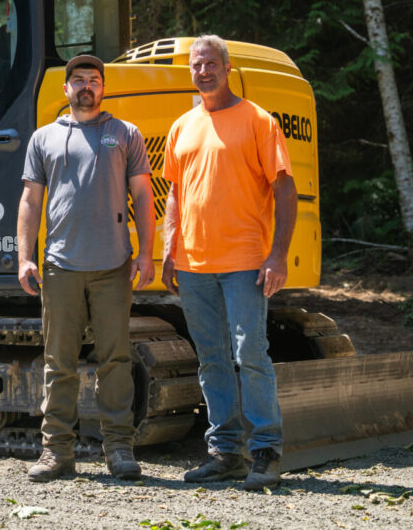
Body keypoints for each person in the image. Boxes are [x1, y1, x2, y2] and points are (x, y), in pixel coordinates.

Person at [161, 35, 296, 492]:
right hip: (194, 265)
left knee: (250, 355)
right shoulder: (182, 126)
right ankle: (224, 452)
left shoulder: (258, 120)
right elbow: (176, 193)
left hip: (244, 263)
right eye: (197, 65)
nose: (204, 71)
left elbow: (284, 189)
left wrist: (277, 255)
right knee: (212, 359)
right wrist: (169, 248)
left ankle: (266, 452)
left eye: (211, 63)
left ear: (227, 66)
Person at [17, 54, 155, 482]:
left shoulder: (124, 134)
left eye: (94, 80)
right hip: (60, 267)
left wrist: (147, 252)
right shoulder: (43, 139)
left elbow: (144, 197)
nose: (87, 86)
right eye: (79, 80)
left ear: (103, 88)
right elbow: (30, 202)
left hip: (114, 266)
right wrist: (24, 257)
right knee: (59, 362)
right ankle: (56, 451)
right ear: (66, 89)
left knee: (115, 360)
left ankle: (119, 450)